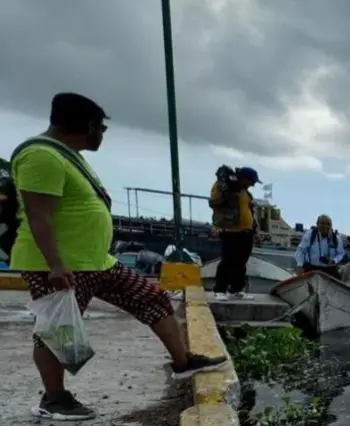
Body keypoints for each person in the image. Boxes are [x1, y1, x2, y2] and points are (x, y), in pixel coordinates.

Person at [10, 93, 227, 421]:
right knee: (59, 329)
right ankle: (54, 398)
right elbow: (39, 215)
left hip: (97, 260)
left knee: (152, 298)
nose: (102, 136)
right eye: (102, 129)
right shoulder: (41, 157)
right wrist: (56, 264)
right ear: (88, 127)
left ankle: (184, 362)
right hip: (61, 263)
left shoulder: (68, 156)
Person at [209, 165, 261, 301]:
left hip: (246, 232)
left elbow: (250, 211)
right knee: (227, 261)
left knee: (241, 262)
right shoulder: (224, 187)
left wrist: (255, 230)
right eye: (252, 182)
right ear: (245, 178)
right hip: (230, 231)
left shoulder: (246, 193)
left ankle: (236, 289)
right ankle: (219, 289)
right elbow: (214, 202)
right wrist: (226, 189)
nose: (253, 185)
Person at [294, 214, 346, 280]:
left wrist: (334, 260)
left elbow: (340, 253)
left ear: (331, 225)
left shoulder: (336, 238)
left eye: (328, 224)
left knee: (339, 283)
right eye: (322, 223)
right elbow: (300, 250)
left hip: (329, 269)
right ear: (317, 224)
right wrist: (299, 265)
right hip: (311, 268)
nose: (325, 226)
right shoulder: (310, 235)